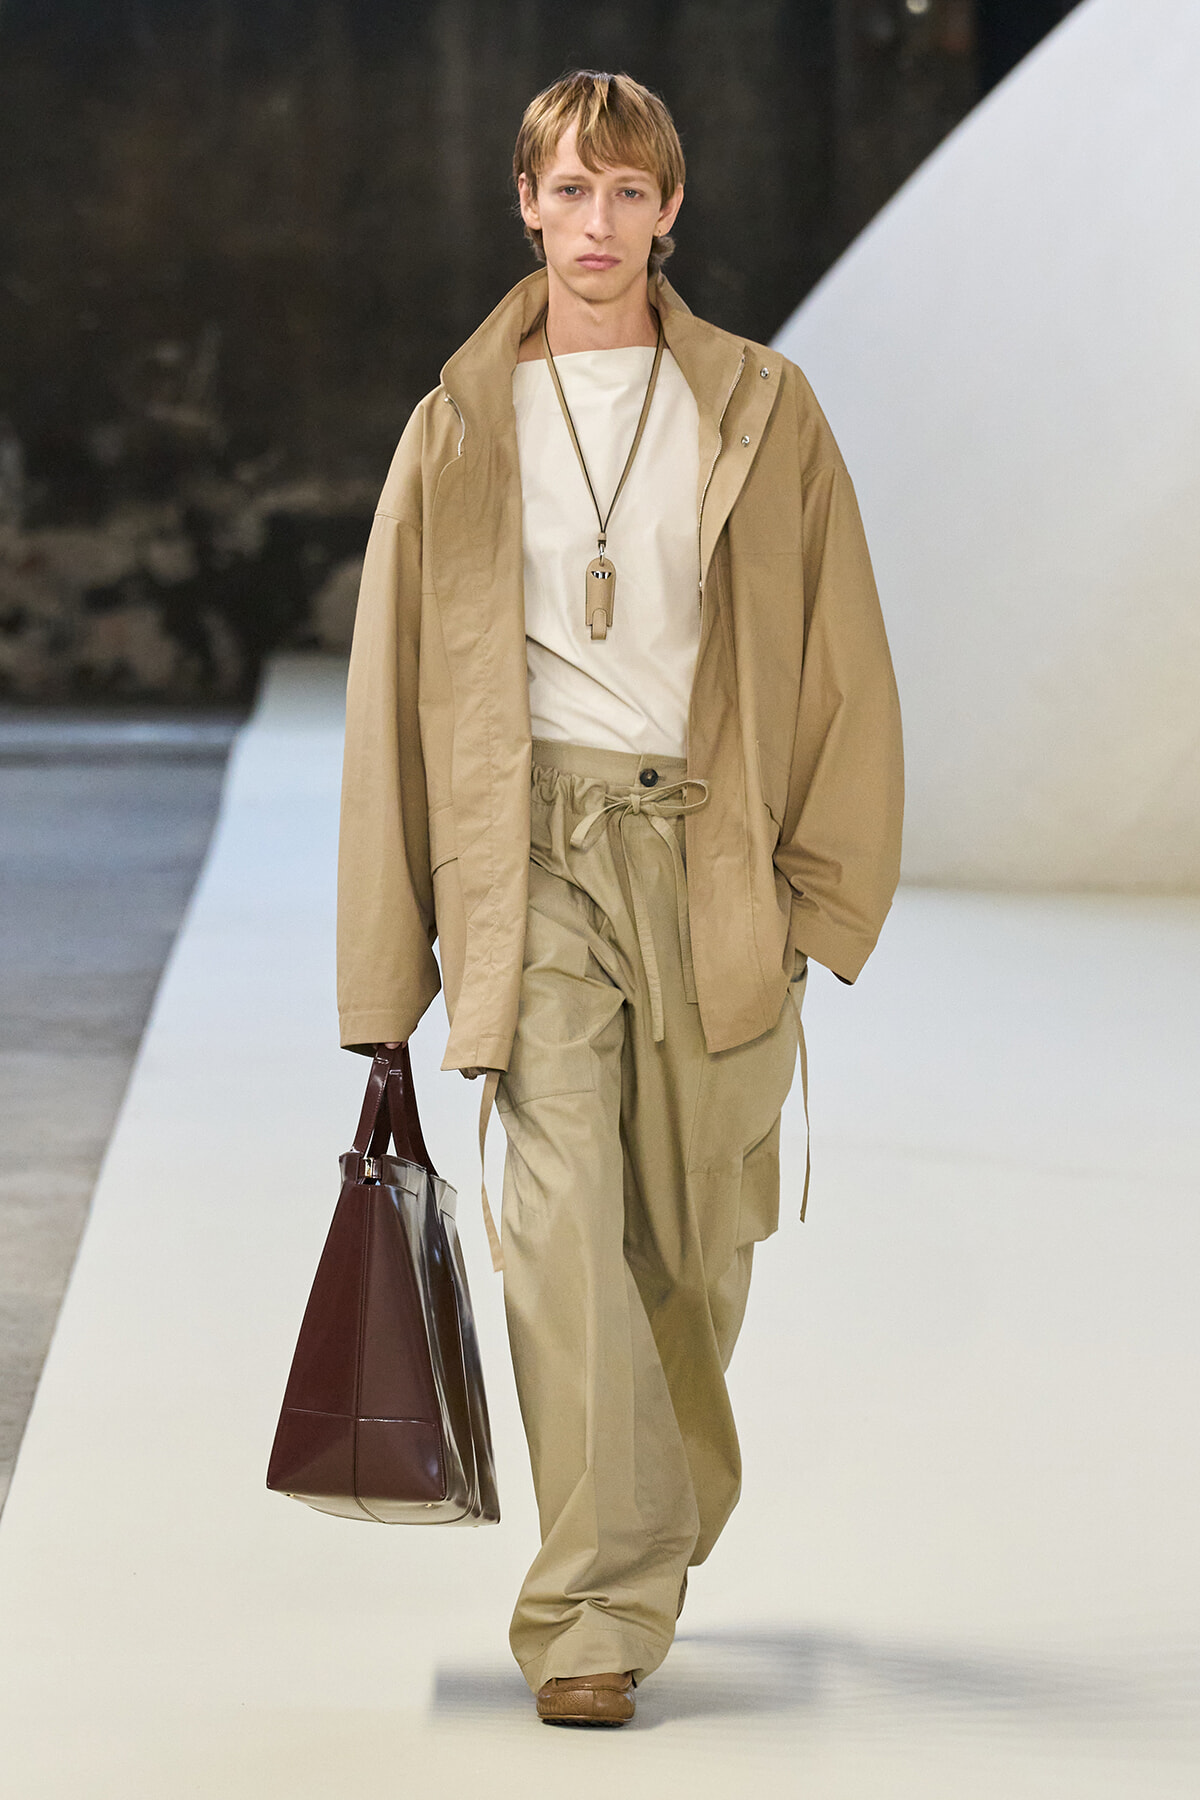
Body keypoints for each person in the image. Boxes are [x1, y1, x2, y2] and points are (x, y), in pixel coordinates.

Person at [337, 69, 903, 1727]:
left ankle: (650, 1513)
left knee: (690, 1256)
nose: (597, 226)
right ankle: (589, 1615)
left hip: (711, 856)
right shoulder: (455, 424)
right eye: (569, 192)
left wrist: (815, 905)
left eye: (628, 195)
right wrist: (392, 979)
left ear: (672, 211)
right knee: (559, 1227)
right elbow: (390, 704)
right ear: (526, 202)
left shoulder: (762, 408)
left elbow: (843, 666)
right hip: (538, 860)